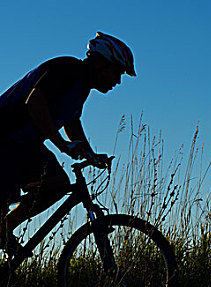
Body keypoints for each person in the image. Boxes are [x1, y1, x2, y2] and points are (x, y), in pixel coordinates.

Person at [0, 32, 135, 257]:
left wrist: (90, 153)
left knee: (57, 185)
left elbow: (71, 122)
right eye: (117, 72)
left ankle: (3, 230)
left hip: (22, 144)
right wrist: (62, 145)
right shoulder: (67, 69)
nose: (117, 81)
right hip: (5, 138)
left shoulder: (81, 87)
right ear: (101, 62)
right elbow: (34, 102)